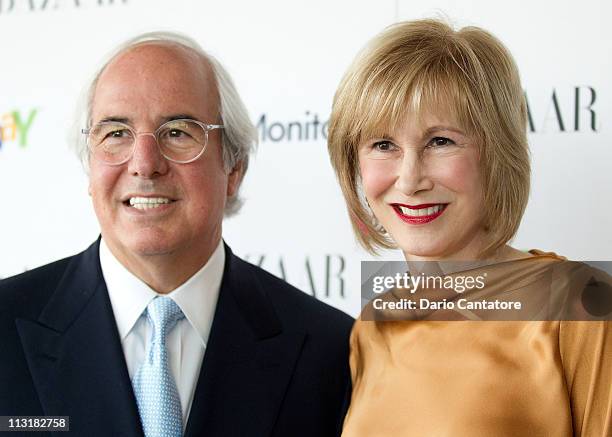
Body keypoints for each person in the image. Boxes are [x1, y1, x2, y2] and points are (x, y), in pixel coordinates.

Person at [0, 32, 353, 437]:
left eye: (178, 132)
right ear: (90, 167)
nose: (145, 164)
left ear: (234, 168)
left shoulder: (329, 352)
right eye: (115, 133)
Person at [327, 19, 611, 437]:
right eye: (383, 145)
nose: (410, 179)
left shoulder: (580, 305)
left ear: (497, 152)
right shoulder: (371, 325)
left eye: (440, 141)